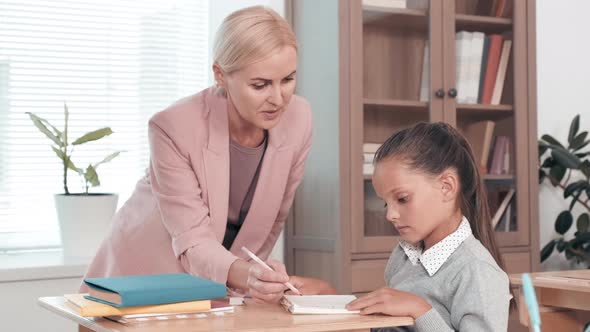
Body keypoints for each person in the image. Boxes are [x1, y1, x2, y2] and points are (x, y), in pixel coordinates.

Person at [82, 5, 313, 303]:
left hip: (218, 280)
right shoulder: (173, 126)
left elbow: (273, 220)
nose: (279, 98)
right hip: (145, 275)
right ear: (220, 74)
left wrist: (256, 275)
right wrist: (246, 274)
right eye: (260, 85)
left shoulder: (299, 118)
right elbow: (193, 239)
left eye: (288, 80)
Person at [343, 122, 512, 331]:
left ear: (446, 187)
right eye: (386, 203)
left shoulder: (477, 271)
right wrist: (330, 298)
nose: (390, 215)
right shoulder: (404, 255)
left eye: (402, 199)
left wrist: (420, 310)